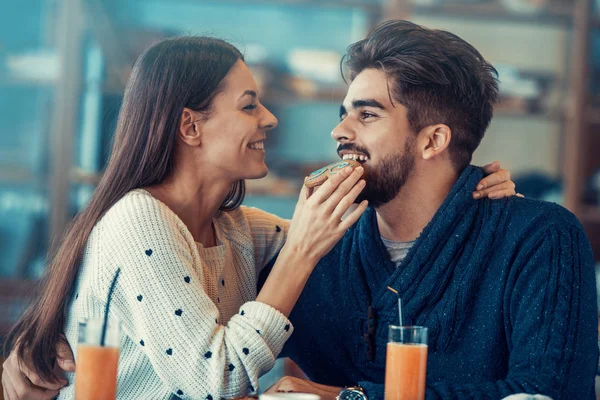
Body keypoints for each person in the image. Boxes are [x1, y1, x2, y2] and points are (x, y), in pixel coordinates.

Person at [1, 35, 516, 400]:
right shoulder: (141, 219)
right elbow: (212, 380)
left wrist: (461, 185)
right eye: (249, 106)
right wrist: (299, 253)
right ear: (190, 126)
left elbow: (369, 253)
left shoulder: (238, 229)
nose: (269, 118)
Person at [262, 21, 599, 400]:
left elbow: (549, 392)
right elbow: (215, 358)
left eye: (367, 115)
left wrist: (351, 397)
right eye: (344, 113)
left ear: (433, 140)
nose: (339, 131)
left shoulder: (540, 238)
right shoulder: (314, 250)